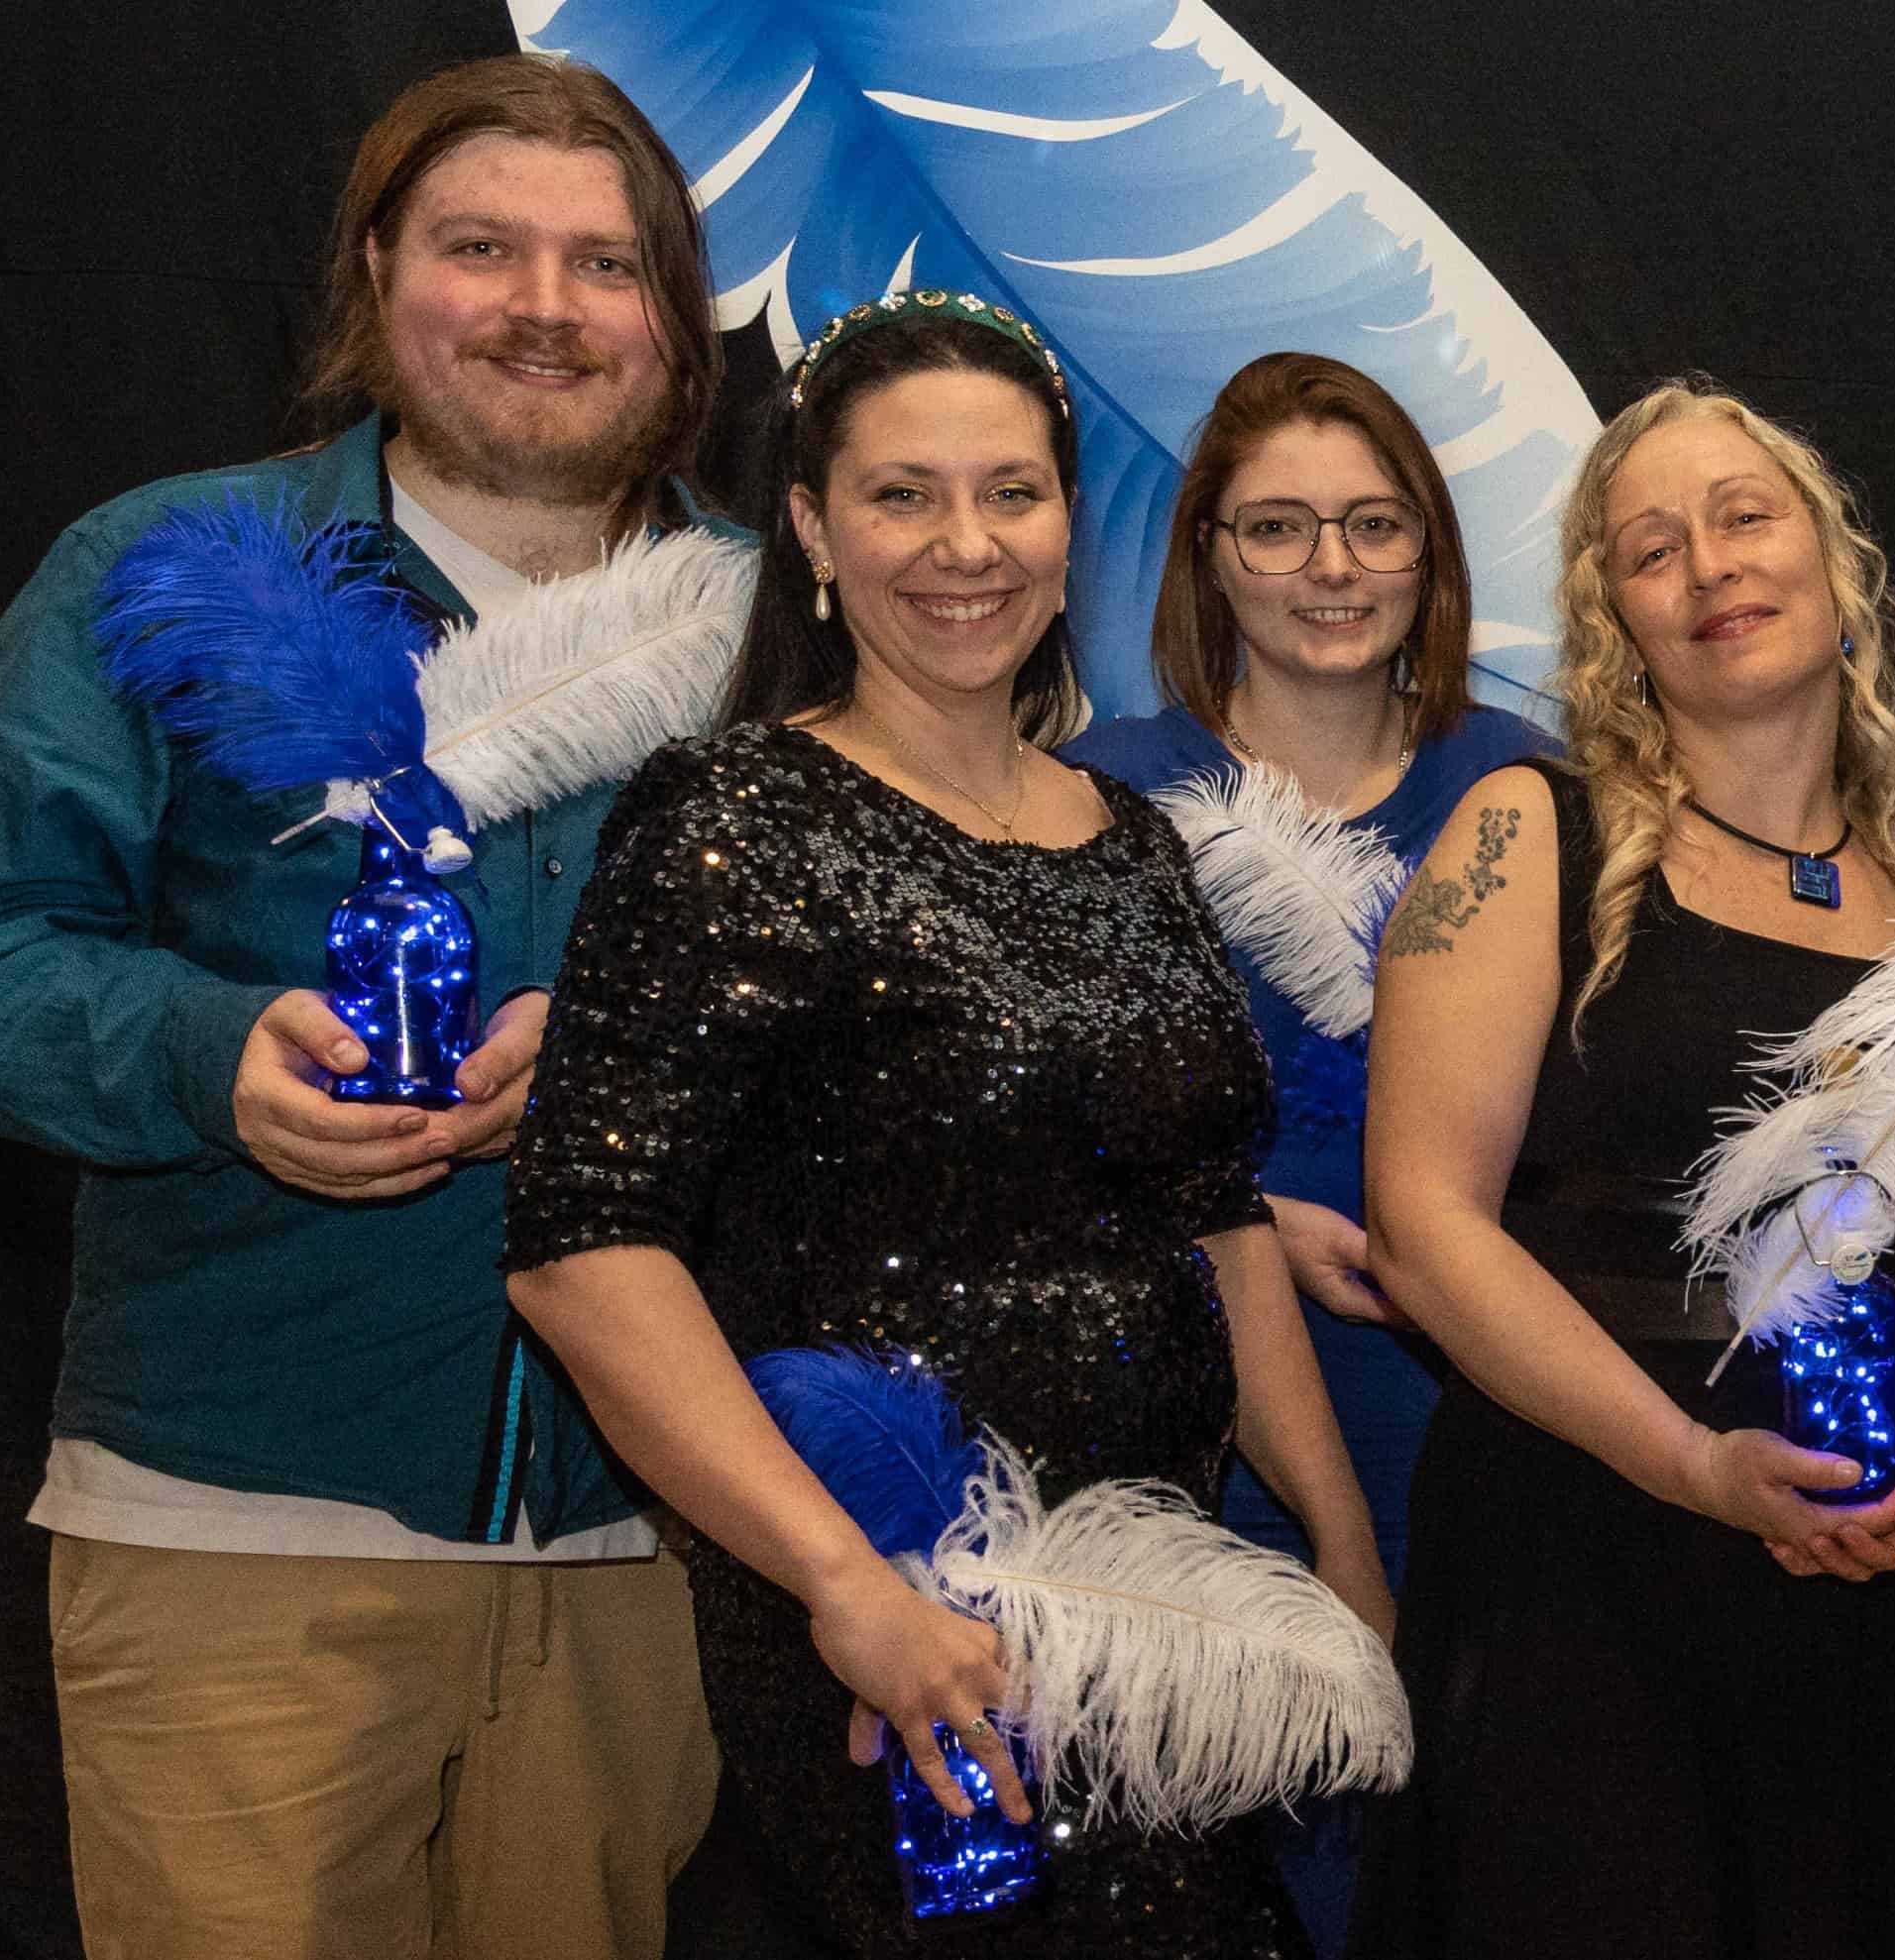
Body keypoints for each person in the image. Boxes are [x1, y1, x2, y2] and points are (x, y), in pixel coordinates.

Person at [0, 54, 728, 1960]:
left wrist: (646, 1070)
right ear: (374, 272)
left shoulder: (773, 628)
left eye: (606, 264)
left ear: (678, 319)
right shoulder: (173, 571)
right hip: (242, 1526)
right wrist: (213, 1057)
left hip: (659, 1539)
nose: (542, 305)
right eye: (481, 247)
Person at [502, 293, 1387, 1957]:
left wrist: (1336, 1540)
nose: (965, 545)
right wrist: (846, 1585)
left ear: (1068, 529)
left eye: (1012, 493)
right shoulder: (728, 816)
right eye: (903, 494)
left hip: (1158, 1621)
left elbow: (1214, 1217)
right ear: (813, 530)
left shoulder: (1135, 838)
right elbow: (580, 1246)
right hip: (888, 1634)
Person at [1347, 380, 1895, 1958]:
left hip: (1870, 1549)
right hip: (1585, 1549)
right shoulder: (1524, 830)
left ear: (1831, 553)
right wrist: (1688, 1463)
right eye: (1653, 548)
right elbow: (1421, 1222)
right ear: (1618, 621)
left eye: (1744, 516)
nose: (1711, 566)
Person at [1060, 351, 1551, 1953]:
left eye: (1373, 524)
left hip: (1480, 1417)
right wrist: (1244, 1213)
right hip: (1191, 1426)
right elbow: (1019, 1135)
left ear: (1432, 552)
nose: (1331, 568)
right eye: (1277, 528)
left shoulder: (1529, 790)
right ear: (1208, 553)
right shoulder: (1097, 797)